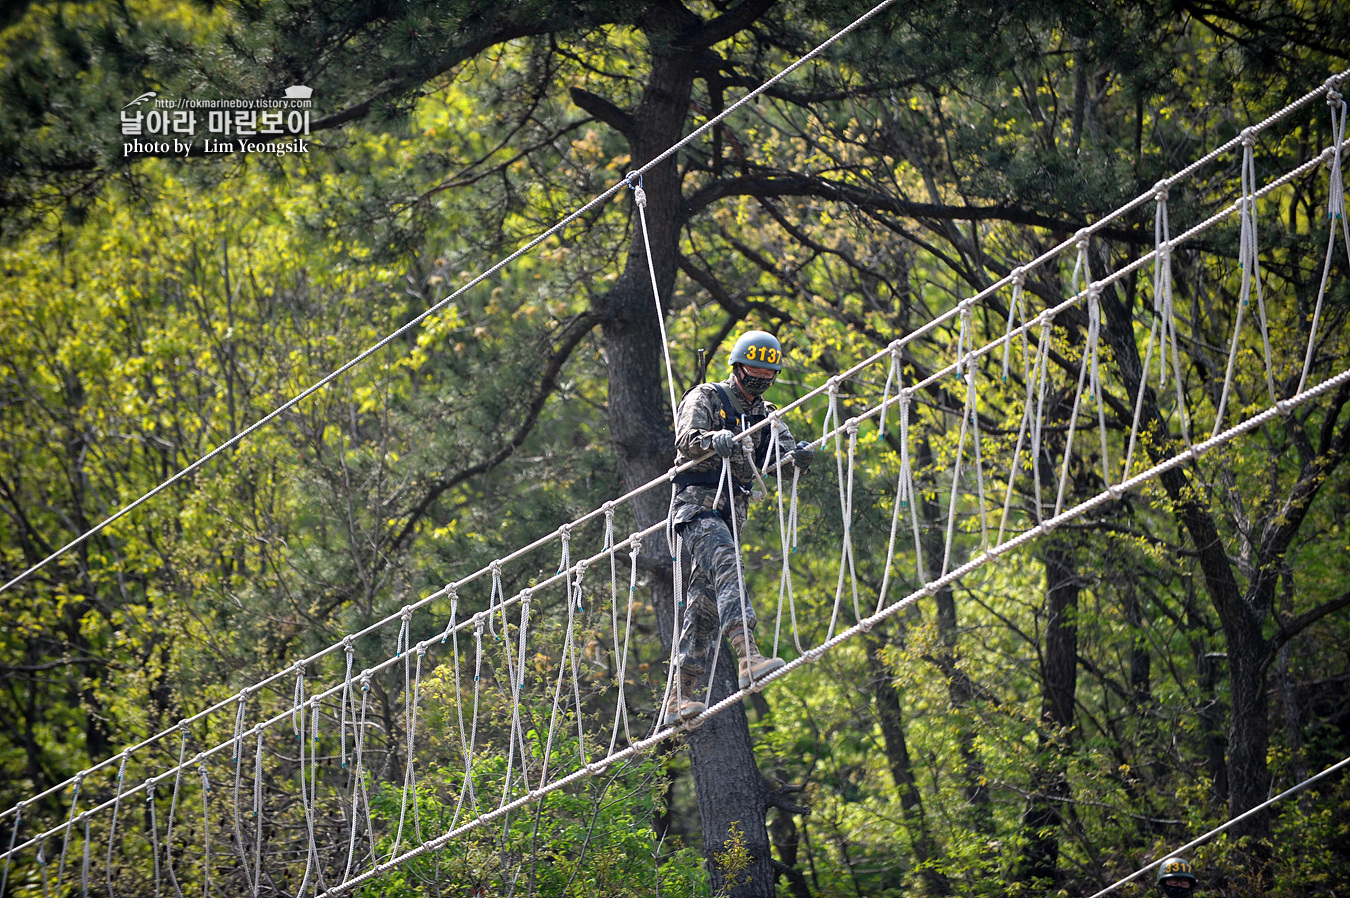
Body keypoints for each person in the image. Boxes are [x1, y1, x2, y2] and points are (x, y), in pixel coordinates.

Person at [662, 329, 815, 727]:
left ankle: (679, 698)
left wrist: (797, 457)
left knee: (705, 604)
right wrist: (716, 439)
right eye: (754, 372)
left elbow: (778, 457)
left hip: (731, 512)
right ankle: (748, 654)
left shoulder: (767, 415)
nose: (760, 381)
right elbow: (685, 439)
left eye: (768, 375)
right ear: (736, 368)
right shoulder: (707, 397)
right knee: (727, 562)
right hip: (697, 505)